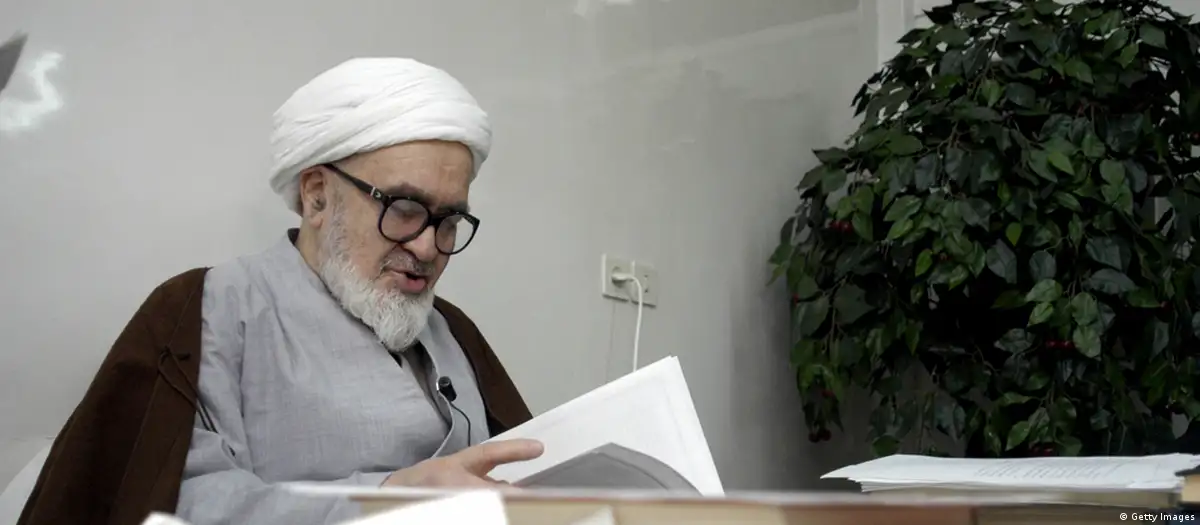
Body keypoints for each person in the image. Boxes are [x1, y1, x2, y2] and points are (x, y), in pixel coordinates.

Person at [18, 58, 542, 525]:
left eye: (449, 221)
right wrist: (385, 500)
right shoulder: (204, 310)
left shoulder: (452, 330)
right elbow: (171, 503)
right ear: (316, 196)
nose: (428, 247)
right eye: (404, 209)